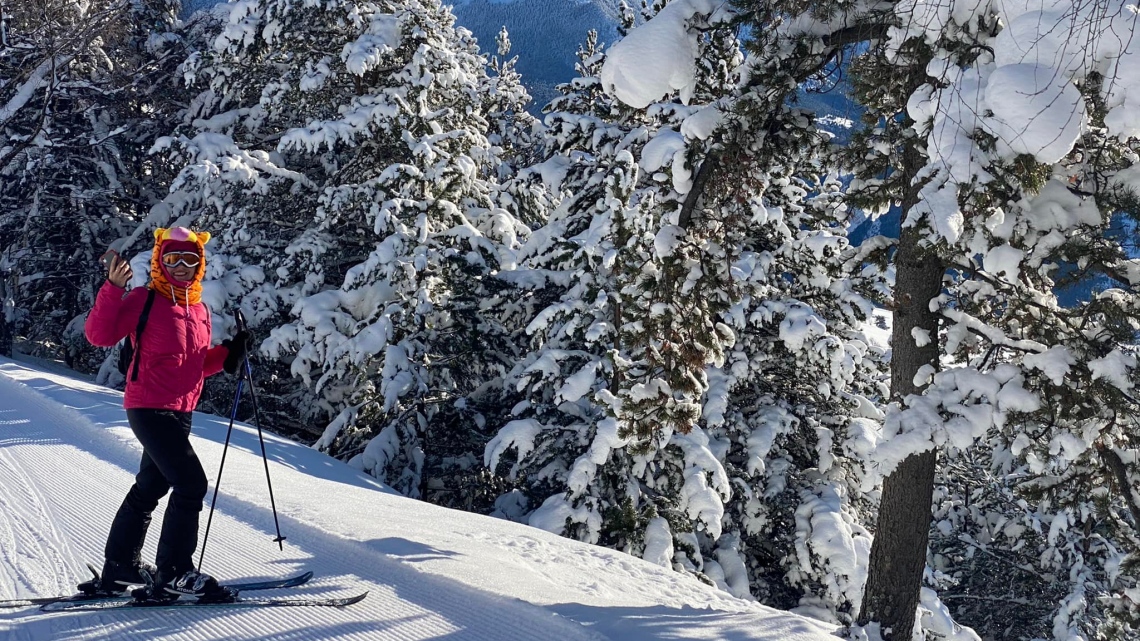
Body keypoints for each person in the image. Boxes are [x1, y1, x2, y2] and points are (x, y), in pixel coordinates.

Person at [82, 227, 250, 601]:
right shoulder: (144, 299)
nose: (180, 267)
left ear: (198, 265)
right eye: (172, 259)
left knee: (152, 485)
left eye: (189, 261)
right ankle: (175, 572)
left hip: (181, 410)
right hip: (148, 407)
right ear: (160, 261)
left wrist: (228, 353)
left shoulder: (199, 310)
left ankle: (120, 567)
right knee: (191, 484)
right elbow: (99, 335)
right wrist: (112, 289)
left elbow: (192, 365)